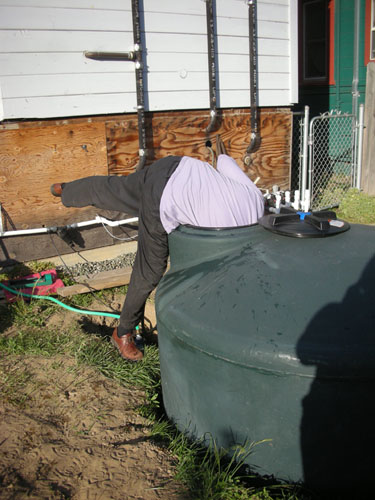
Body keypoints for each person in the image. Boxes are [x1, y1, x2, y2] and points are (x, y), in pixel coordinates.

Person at [51, 154, 264, 362]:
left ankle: (66, 190)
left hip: (174, 165)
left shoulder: (256, 199)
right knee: (149, 270)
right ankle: (122, 333)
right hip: (163, 198)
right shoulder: (223, 243)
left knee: (117, 188)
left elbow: (224, 160)